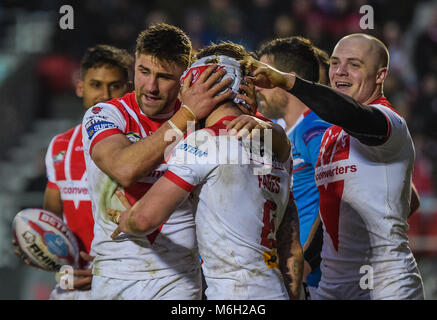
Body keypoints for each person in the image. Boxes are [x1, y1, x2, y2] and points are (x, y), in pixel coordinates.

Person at [108, 42, 304, 300]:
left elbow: (143, 219)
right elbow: (293, 254)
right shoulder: (276, 146)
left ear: (197, 84)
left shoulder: (204, 141)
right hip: (276, 290)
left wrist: (125, 220)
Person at [246, 33, 425, 300]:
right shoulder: (332, 134)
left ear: (380, 75)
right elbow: (333, 208)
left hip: (385, 286)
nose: (340, 71)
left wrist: (288, 82)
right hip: (332, 286)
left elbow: (352, 114)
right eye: (335, 63)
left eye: (354, 64)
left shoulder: (389, 121)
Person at [81, 24, 239, 300]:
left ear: (185, 77)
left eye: (164, 77)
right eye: (144, 72)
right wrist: (186, 115)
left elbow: (261, 147)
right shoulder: (105, 114)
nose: (151, 87)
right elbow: (125, 168)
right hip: (113, 274)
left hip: (178, 277)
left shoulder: (205, 121)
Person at [13, 45, 133, 300]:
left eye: (115, 85)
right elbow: (51, 215)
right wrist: (32, 240)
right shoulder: (59, 146)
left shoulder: (141, 147)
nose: (104, 95)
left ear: (128, 89)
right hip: (72, 283)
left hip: (123, 280)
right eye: (96, 85)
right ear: (80, 88)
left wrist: (110, 269)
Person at [255, 37, 331, 299]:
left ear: (289, 79)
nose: (258, 88)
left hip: (316, 279)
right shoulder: (285, 132)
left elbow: (340, 196)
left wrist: (310, 259)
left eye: (264, 79)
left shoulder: (316, 130)